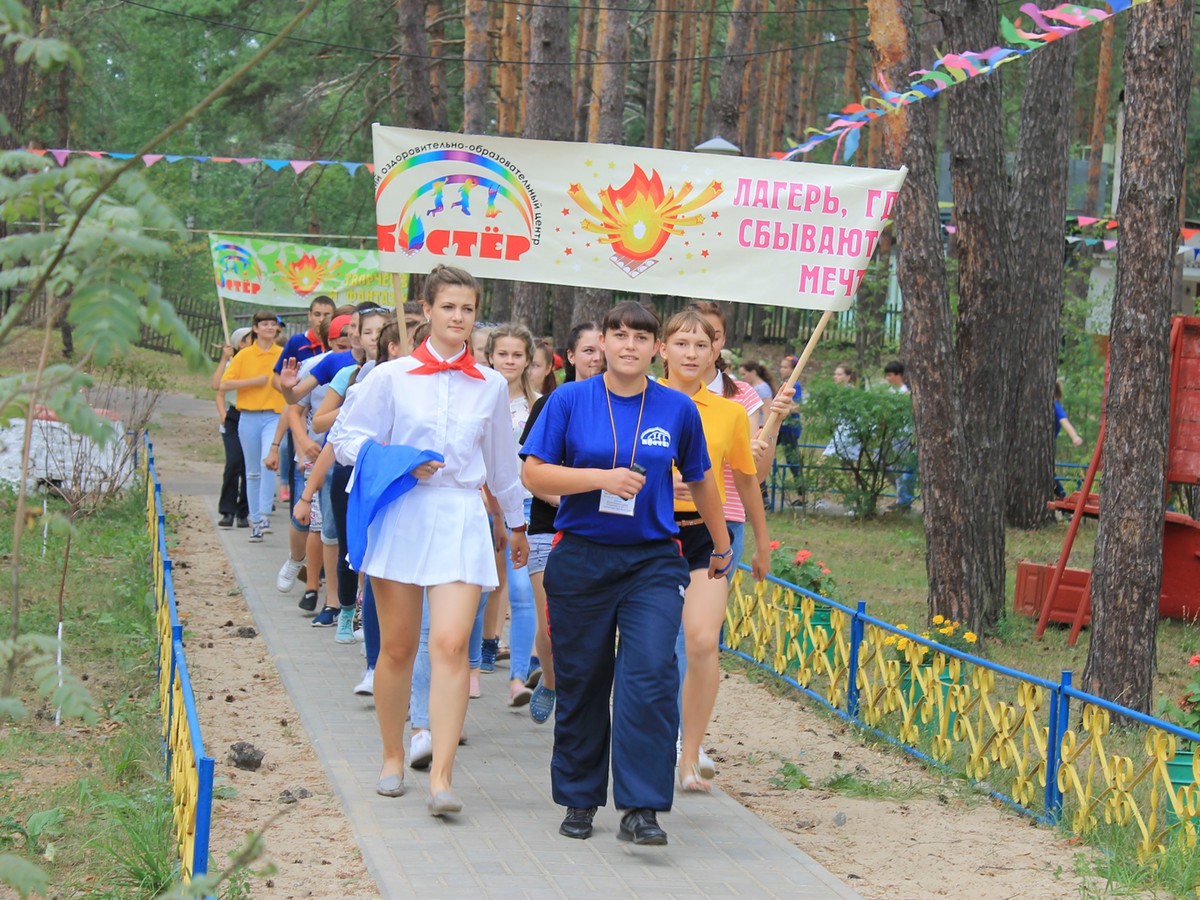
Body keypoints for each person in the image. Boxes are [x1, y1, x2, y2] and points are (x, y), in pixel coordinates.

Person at [521, 300, 730, 846]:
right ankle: (579, 797)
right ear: (604, 343)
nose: (630, 345)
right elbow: (533, 471)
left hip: (653, 561)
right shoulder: (568, 400)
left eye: (642, 336)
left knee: (650, 676)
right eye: (620, 335)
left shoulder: (676, 409)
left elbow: (702, 478)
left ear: (655, 348)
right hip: (583, 555)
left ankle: (641, 808)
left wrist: (723, 541)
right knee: (585, 679)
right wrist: (598, 479)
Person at [329, 266, 527, 814]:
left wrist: (516, 524)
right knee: (397, 647)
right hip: (403, 512)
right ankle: (393, 757)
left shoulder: (489, 384)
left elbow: (503, 466)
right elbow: (345, 439)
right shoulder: (390, 377)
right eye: (448, 308)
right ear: (425, 310)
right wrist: (397, 462)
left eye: (467, 309)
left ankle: (442, 774)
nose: (458, 318)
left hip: (462, 515)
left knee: (451, 644)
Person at [658, 311, 771, 793]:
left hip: (710, 537)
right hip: (649, 535)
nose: (690, 353)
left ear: (713, 354)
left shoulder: (728, 412)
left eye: (700, 346)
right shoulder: (638, 401)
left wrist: (762, 544)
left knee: (702, 641)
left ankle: (689, 754)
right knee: (651, 649)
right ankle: (646, 743)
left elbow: (746, 479)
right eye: (681, 343)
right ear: (662, 349)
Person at [519, 322, 603, 724]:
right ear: (569, 357)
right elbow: (533, 474)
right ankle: (550, 681)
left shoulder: (623, 406)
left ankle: (579, 700)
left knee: (590, 627)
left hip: (602, 532)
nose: (596, 356)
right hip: (549, 527)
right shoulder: (551, 403)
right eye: (587, 350)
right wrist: (574, 499)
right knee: (551, 621)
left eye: (600, 348)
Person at [482, 324, 540, 707]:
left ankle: (519, 678)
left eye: (517, 355)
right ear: (490, 357)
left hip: (525, 506)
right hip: (478, 503)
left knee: (522, 593)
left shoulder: (538, 405)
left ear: (528, 360)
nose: (509, 361)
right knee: (477, 589)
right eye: (502, 354)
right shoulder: (478, 395)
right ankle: (470, 667)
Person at [219, 311, 285, 541]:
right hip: (248, 416)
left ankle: (265, 514)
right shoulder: (244, 355)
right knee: (252, 471)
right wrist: (253, 382)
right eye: (264, 324)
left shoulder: (283, 354)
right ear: (255, 329)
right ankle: (255, 520)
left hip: (274, 416)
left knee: (268, 462)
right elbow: (224, 383)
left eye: (272, 324)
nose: (269, 328)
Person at [212, 327, 252, 529]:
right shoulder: (231, 363)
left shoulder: (258, 363)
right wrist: (223, 414)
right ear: (240, 343)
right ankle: (227, 510)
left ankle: (243, 512)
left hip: (253, 414)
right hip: (233, 416)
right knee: (234, 461)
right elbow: (216, 387)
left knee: (248, 465)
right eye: (249, 339)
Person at [883, 360, 915, 512]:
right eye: (887, 375)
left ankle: (904, 501)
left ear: (899, 375)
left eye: (890, 375)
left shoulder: (905, 393)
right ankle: (901, 496)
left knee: (902, 468)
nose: (888, 378)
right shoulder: (890, 393)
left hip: (903, 434)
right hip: (890, 435)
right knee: (888, 466)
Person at [777, 355, 805, 505]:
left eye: (786, 367)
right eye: (781, 367)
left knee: (793, 461)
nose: (782, 370)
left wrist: (786, 406)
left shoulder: (795, 385)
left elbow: (797, 407)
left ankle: (802, 496)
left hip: (790, 427)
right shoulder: (786, 383)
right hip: (781, 426)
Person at [1053, 380, 1084, 499]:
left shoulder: (1055, 405)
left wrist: (1074, 436)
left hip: (1050, 445)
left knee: (1049, 474)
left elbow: (1064, 421)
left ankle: (1062, 496)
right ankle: (1061, 495)